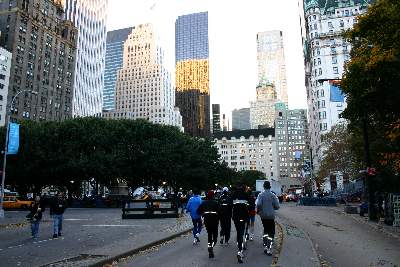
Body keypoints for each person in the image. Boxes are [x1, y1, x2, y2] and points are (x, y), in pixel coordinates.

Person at [256, 181, 280, 256]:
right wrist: (273, 207)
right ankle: (268, 248)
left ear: (264, 187)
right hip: (270, 216)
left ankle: (265, 243)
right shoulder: (273, 195)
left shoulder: (260, 195)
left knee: (265, 229)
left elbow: (259, 204)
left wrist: (259, 210)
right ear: (270, 187)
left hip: (263, 216)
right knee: (271, 232)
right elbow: (277, 206)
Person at [197, 190, 220, 258]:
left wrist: (203, 214)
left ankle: (210, 248)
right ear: (213, 196)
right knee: (215, 237)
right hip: (214, 221)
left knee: (209, 235)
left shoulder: (204, 203)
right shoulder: (216, 203)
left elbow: (198, 211)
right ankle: (211, 246)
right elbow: (220, 212)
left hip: (207, 221)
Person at [231, 183, 250, 263]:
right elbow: (248, 205)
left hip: (235, 217)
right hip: (243, 217)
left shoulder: (233, 194)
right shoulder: (245, 194)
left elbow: (230, 205)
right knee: (241, 233)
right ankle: (240, 251)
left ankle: (239, 245)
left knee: (238, 232)